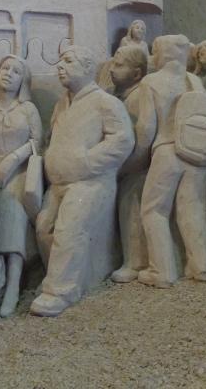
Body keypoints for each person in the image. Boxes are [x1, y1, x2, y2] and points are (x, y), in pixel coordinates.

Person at [33, 46, 134, 316]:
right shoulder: (62, 104)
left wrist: (87, 161)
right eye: (60, 61)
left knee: (70, 228)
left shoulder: (105, 102)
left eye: (68, 61)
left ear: (88, 68)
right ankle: (60, 276)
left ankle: (60, 291)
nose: (60, 66)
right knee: (44, 227)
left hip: (91, 182)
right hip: (59, 182)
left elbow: (122, 141)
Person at [136, 35, 206, 288]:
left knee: (154, 210)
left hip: (167, 151)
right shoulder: (195, 81)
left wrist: (138, 154)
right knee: (192, 208)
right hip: (196, 152)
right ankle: (202, 266)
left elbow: (146, 127)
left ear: (162, 53)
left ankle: (162, 271)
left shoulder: (151, 81)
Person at [0, 55, 43, 317]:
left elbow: (39, 142)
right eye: (5, 68)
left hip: (20, 172)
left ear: (23, 80)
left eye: (16, 71)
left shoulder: (27, 109)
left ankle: (14, 284)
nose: (8, 74)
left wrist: (14, 159)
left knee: (13, 209)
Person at [107, 46, 150, 283]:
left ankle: (136, 262)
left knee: (131, 208)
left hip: (137, 168)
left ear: (136, 73)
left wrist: (128, 167)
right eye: (113, 64)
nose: (112, 69)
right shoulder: (120, 95)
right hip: (123, 167)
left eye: (119, 65)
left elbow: (144, 137)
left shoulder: (139, 96)